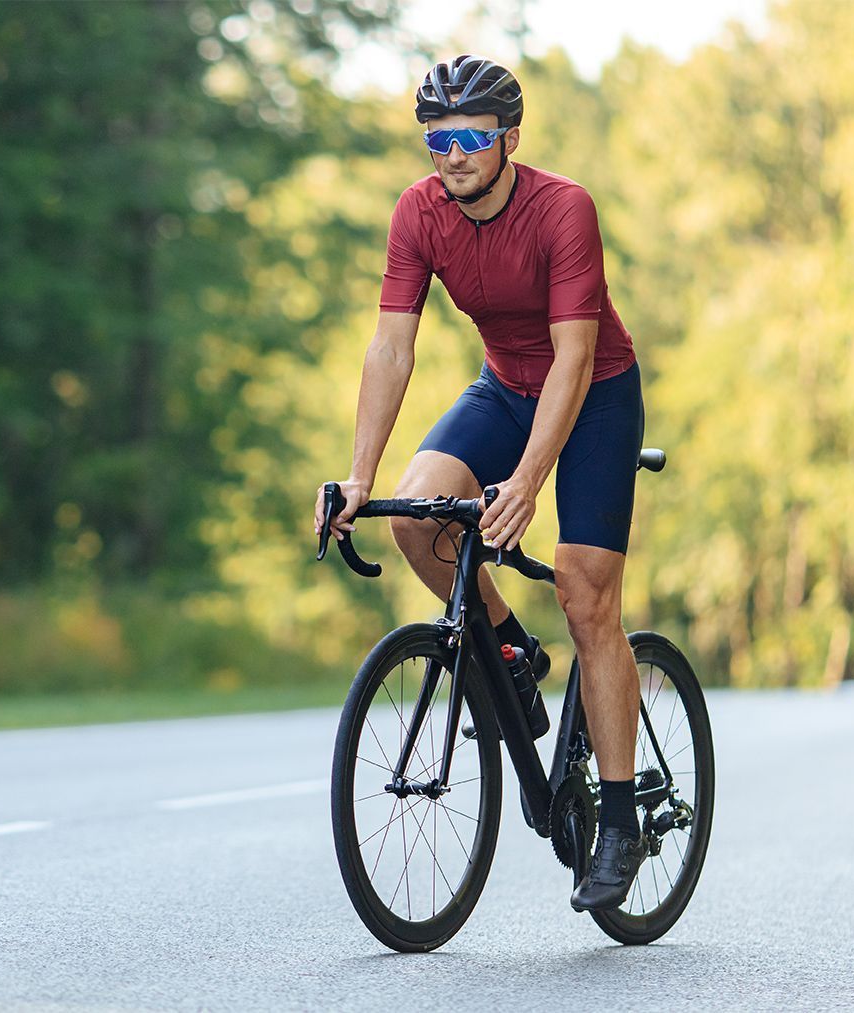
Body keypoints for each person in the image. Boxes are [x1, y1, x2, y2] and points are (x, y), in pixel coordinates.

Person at [312, 54, 648, 912]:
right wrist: (358, 477)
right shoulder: (419, 213)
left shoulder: (562, 208)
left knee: (585, 595)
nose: (452, 154)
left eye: (470, 137)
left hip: (595, 393)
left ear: (509, 139)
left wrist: (529, 482)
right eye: (436, 139)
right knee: (418, 514)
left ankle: (617, 818)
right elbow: (391, 346)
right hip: (504, 387)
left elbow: (575, 355)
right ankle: (509, 648)